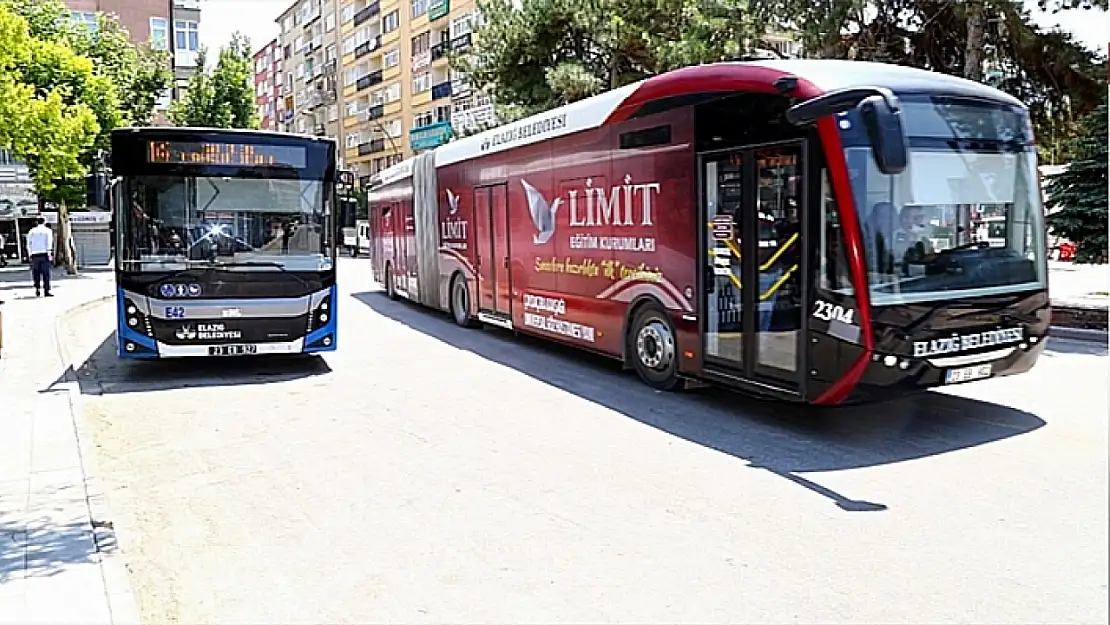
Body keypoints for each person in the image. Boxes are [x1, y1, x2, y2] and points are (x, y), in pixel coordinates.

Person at [26, 217, 53, 297]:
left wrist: (30, 254)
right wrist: (49, 254)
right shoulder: (47, 231)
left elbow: (28, 244)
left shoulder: (31, 231)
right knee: (46, 274)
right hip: (44, 254)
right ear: (44, 222)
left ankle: (37, 289)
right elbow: (49, 243)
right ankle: (46, 291)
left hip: (34, 255)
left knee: (36, 273)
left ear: (37, 222)